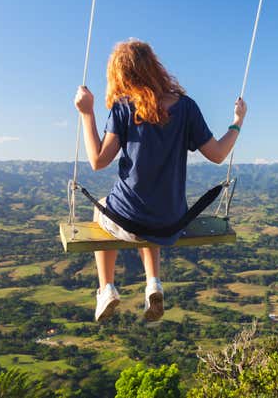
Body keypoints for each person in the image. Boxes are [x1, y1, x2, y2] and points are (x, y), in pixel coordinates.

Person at [73, 39, 247, 322]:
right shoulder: (187, 108)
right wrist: (237, 120)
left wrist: (86, 113)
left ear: (121, 75)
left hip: (130, 219)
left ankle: (106, 288)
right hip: (171, 222)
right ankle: (153, 283)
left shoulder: (123, 108)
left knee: (104, 206)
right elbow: (217, 154)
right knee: (149, 211)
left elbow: (97, 161)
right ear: (155, 67)